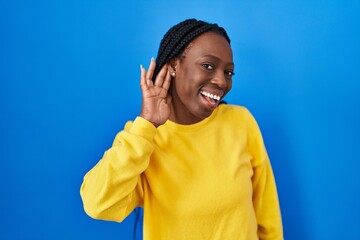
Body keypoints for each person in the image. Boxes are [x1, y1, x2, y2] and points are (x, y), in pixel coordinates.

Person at [80, 18, 283, 240]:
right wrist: (146, 125)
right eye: (208, 66)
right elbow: (96, 203)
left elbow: (268, 217)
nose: (222, 81)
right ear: (175, 65)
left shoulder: (241, 122)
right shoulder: (143, 138)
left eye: (228, 72)